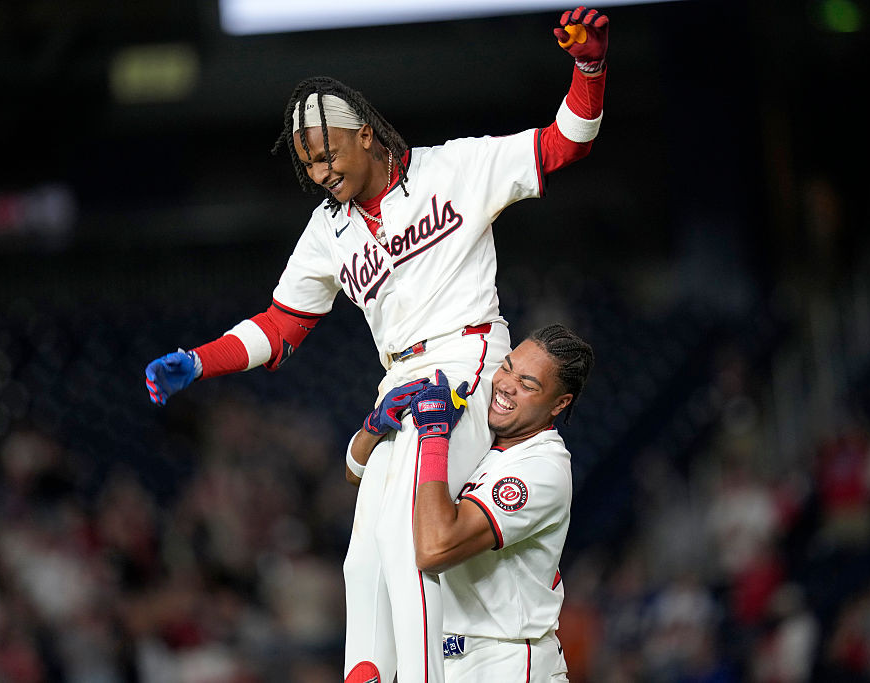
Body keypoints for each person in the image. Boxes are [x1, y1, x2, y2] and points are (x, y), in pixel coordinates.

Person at [144, 7, 610, 682]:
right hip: (397, 382)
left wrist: (589, 67)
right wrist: (201, 360)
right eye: (308, 163)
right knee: (363, 557)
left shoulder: (455, 168)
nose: (320, 170)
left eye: (327, 152)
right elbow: (280, 327)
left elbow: (566, 142)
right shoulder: (327, 230)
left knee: (408, 544)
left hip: (468, 358)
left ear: (366, 134)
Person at [347, 324, 594, 680]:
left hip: (507, 660)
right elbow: (356, 474)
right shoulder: (483, 430)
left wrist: (432, 439)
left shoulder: (542, 467)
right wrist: (374, 427)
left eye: (527, 384)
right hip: (448, 657)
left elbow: (434, 550)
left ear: (560, 403)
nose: (507, 385)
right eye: (507, 367)